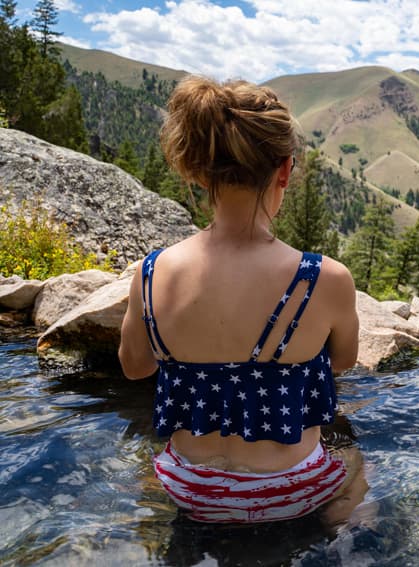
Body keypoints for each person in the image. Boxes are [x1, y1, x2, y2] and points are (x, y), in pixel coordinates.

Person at [118, 75, 362, 524]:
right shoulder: (324, 278)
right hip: (294, 488)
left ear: (199, 170)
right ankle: (336, 530)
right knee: (354, 460)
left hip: (187, 487)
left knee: (158, 465)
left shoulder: (150, 273)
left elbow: (135, 368)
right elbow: (343, 362)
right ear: (284, 170)